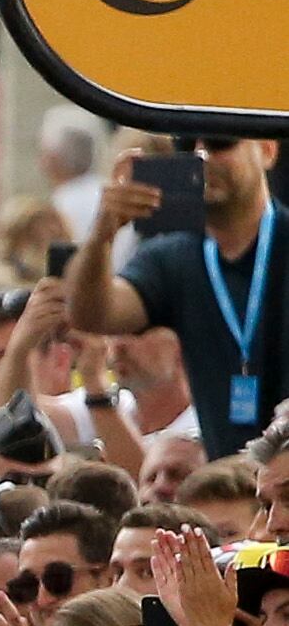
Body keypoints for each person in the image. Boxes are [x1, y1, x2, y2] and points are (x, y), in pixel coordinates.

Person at [69, 138, 289, 444]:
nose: (202, 158)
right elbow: (92, 315)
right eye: (188, 148)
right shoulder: (173, 256)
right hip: (226, 478)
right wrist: (102, 234)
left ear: (267, 150)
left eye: (219, 144)